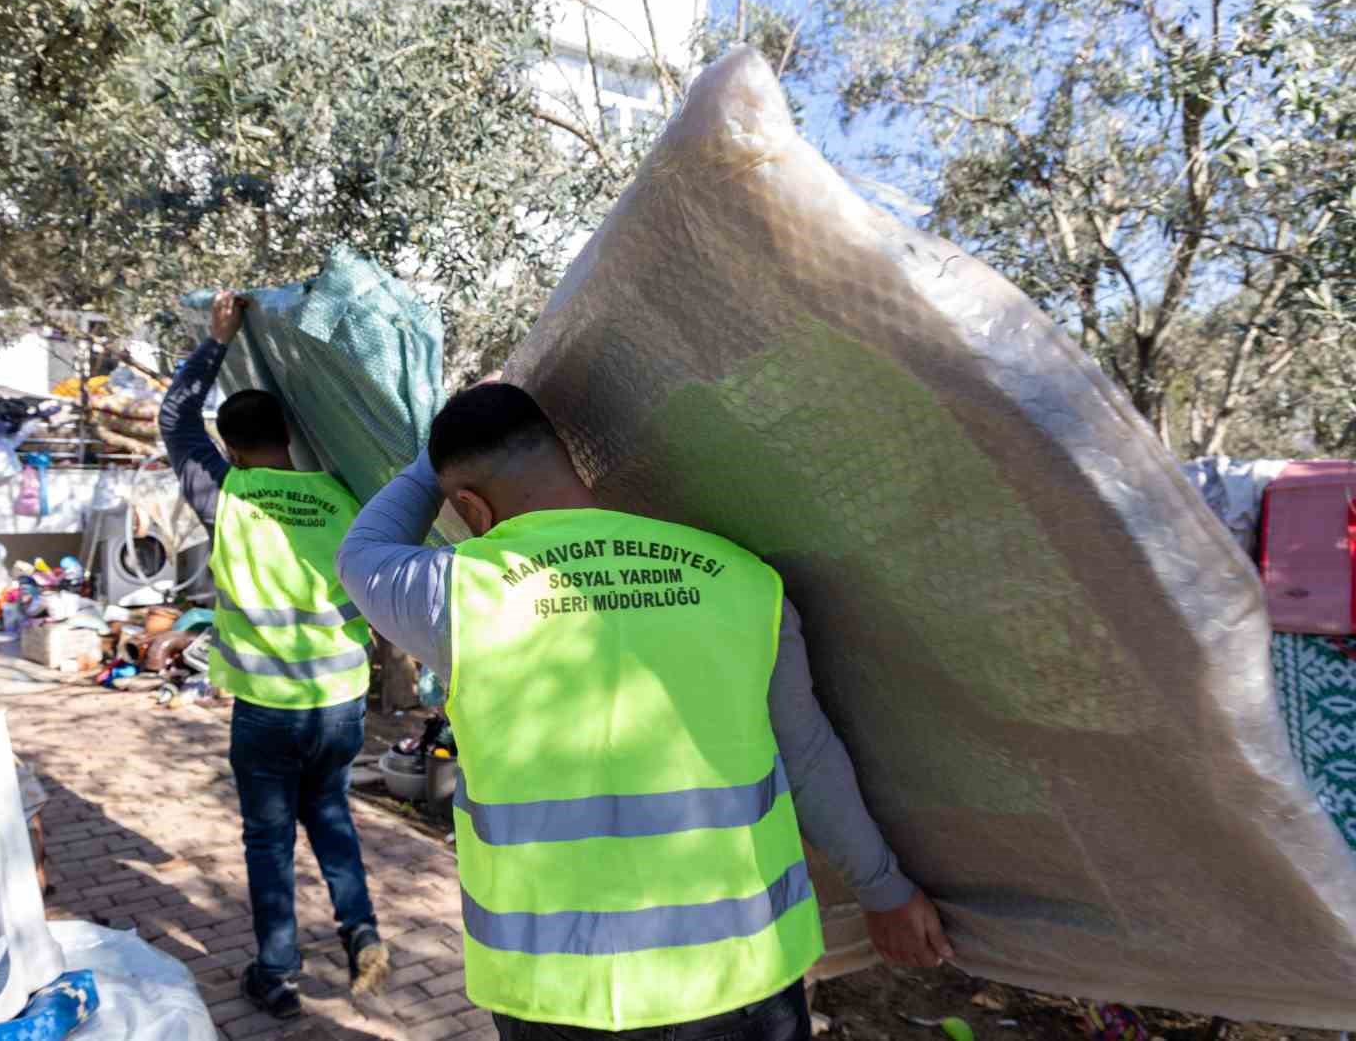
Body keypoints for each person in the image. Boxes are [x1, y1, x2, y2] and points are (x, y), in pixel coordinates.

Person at [337, 382, 952, 1040]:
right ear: (568, 457)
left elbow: (363, 550)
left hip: (558, 995)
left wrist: (436, 451)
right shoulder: (742, 580)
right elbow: (807, 759)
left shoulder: (456, 595)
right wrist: (883, 888)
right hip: (743, 978)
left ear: (469, 507)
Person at [159, 291, 389, 1019]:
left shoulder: (228, 496)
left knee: (268, 838)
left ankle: (279, 973)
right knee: (330, 813)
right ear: (291, 431)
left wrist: (215, 340)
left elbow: (173, 420)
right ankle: (360, 931)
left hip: (268, 708)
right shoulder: (344, 497)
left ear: (229, 447)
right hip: (342, 701)